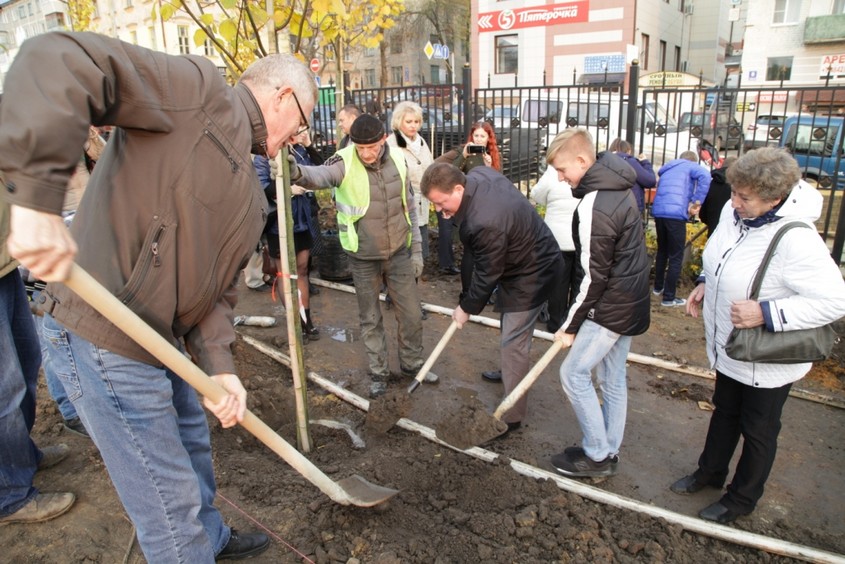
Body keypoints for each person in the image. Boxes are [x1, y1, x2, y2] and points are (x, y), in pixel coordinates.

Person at [0, 31, 317, 561]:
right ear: (283, 96)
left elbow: (219, 292)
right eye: (302, 123)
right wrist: (35, 199)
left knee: (193, 449)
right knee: (168, 506)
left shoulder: (250, 195)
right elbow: (59, 59)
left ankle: (211, 540)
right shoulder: (195, 91)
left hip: (161, 341)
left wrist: (221, 367)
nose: (298, 139)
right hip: (103, 334)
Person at [672, 148, 845, 524]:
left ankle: (741, 498)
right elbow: (721, 254)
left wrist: (766, 312)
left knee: (758, 429)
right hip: (732, 344)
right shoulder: (734, 214)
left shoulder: (796, 239)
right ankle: (709, 473)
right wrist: (705, 281)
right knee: (724, 411)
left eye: (744, 197)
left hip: (767, 358)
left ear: (775, 198)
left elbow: (835, 301)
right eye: (734, 192)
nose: (734, 202)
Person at [289, 114, 437, 398]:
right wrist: (296, 172)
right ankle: (379, 373)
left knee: (411, 315)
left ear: (383, 139)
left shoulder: (398, 159)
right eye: (360, 148)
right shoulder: (343, 161)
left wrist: (417, 250)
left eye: (371, 147)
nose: (366, 154)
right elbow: (319, 176)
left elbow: (409, 207)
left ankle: (412, 365)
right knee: (370, 318)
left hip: (398, 253)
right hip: (363, 256)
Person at [421, 162, 562, 434]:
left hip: (533, 272)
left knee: (514, 341)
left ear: (458, 188)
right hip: (522, 259)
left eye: (441, 202)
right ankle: (512, 374)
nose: (439, 210)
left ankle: (511, 416)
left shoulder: (484, 221)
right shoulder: (477, 175)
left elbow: (487, 273)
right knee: (512, 334)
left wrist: (466, 307)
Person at [545, 129, 650, 478]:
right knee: (612, 377)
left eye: (562, 170)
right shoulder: (619, 185)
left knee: (573, 373)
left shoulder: (595, 203)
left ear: (581, 160)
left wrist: (570, 325)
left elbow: (593, 276)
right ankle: (608, 449)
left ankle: (596, 456)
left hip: (610, 306)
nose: (561, 178)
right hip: (630, 299)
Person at [0, 195, 75, 526]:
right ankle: (10, 495)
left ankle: (20, 456)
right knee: (5, 388)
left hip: (6, 261)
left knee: (26, 362)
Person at [652, 151, 711, 307]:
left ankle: (658, 287)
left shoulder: (668, 169)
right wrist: (696, 201)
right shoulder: (690, 166)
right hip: (676, 215)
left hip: (659, 212)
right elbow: (706, 176)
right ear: (693, 161)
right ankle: (668, 298)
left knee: (662, 251)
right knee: (676, 256)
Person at [531, 166, 580, 333]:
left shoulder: (554, 171)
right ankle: (573, 323)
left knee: (559, 283)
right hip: (580, 236)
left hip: (558, 237)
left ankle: (556, 322)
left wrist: (551, 200)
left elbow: (536, 194)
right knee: (579, 283)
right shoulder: (583, 168)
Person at [608, 138, 656, 218]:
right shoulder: (630, 162)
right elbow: (650, 181)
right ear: (629, 151)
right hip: (630, 208)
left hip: (608, 207)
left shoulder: (604, 162)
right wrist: (645, 162)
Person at [699, 156, 738, 237]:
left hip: (713, 233)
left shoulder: (712, 183)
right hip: (732, 233)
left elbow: (703, 214)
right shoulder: (737, 186)